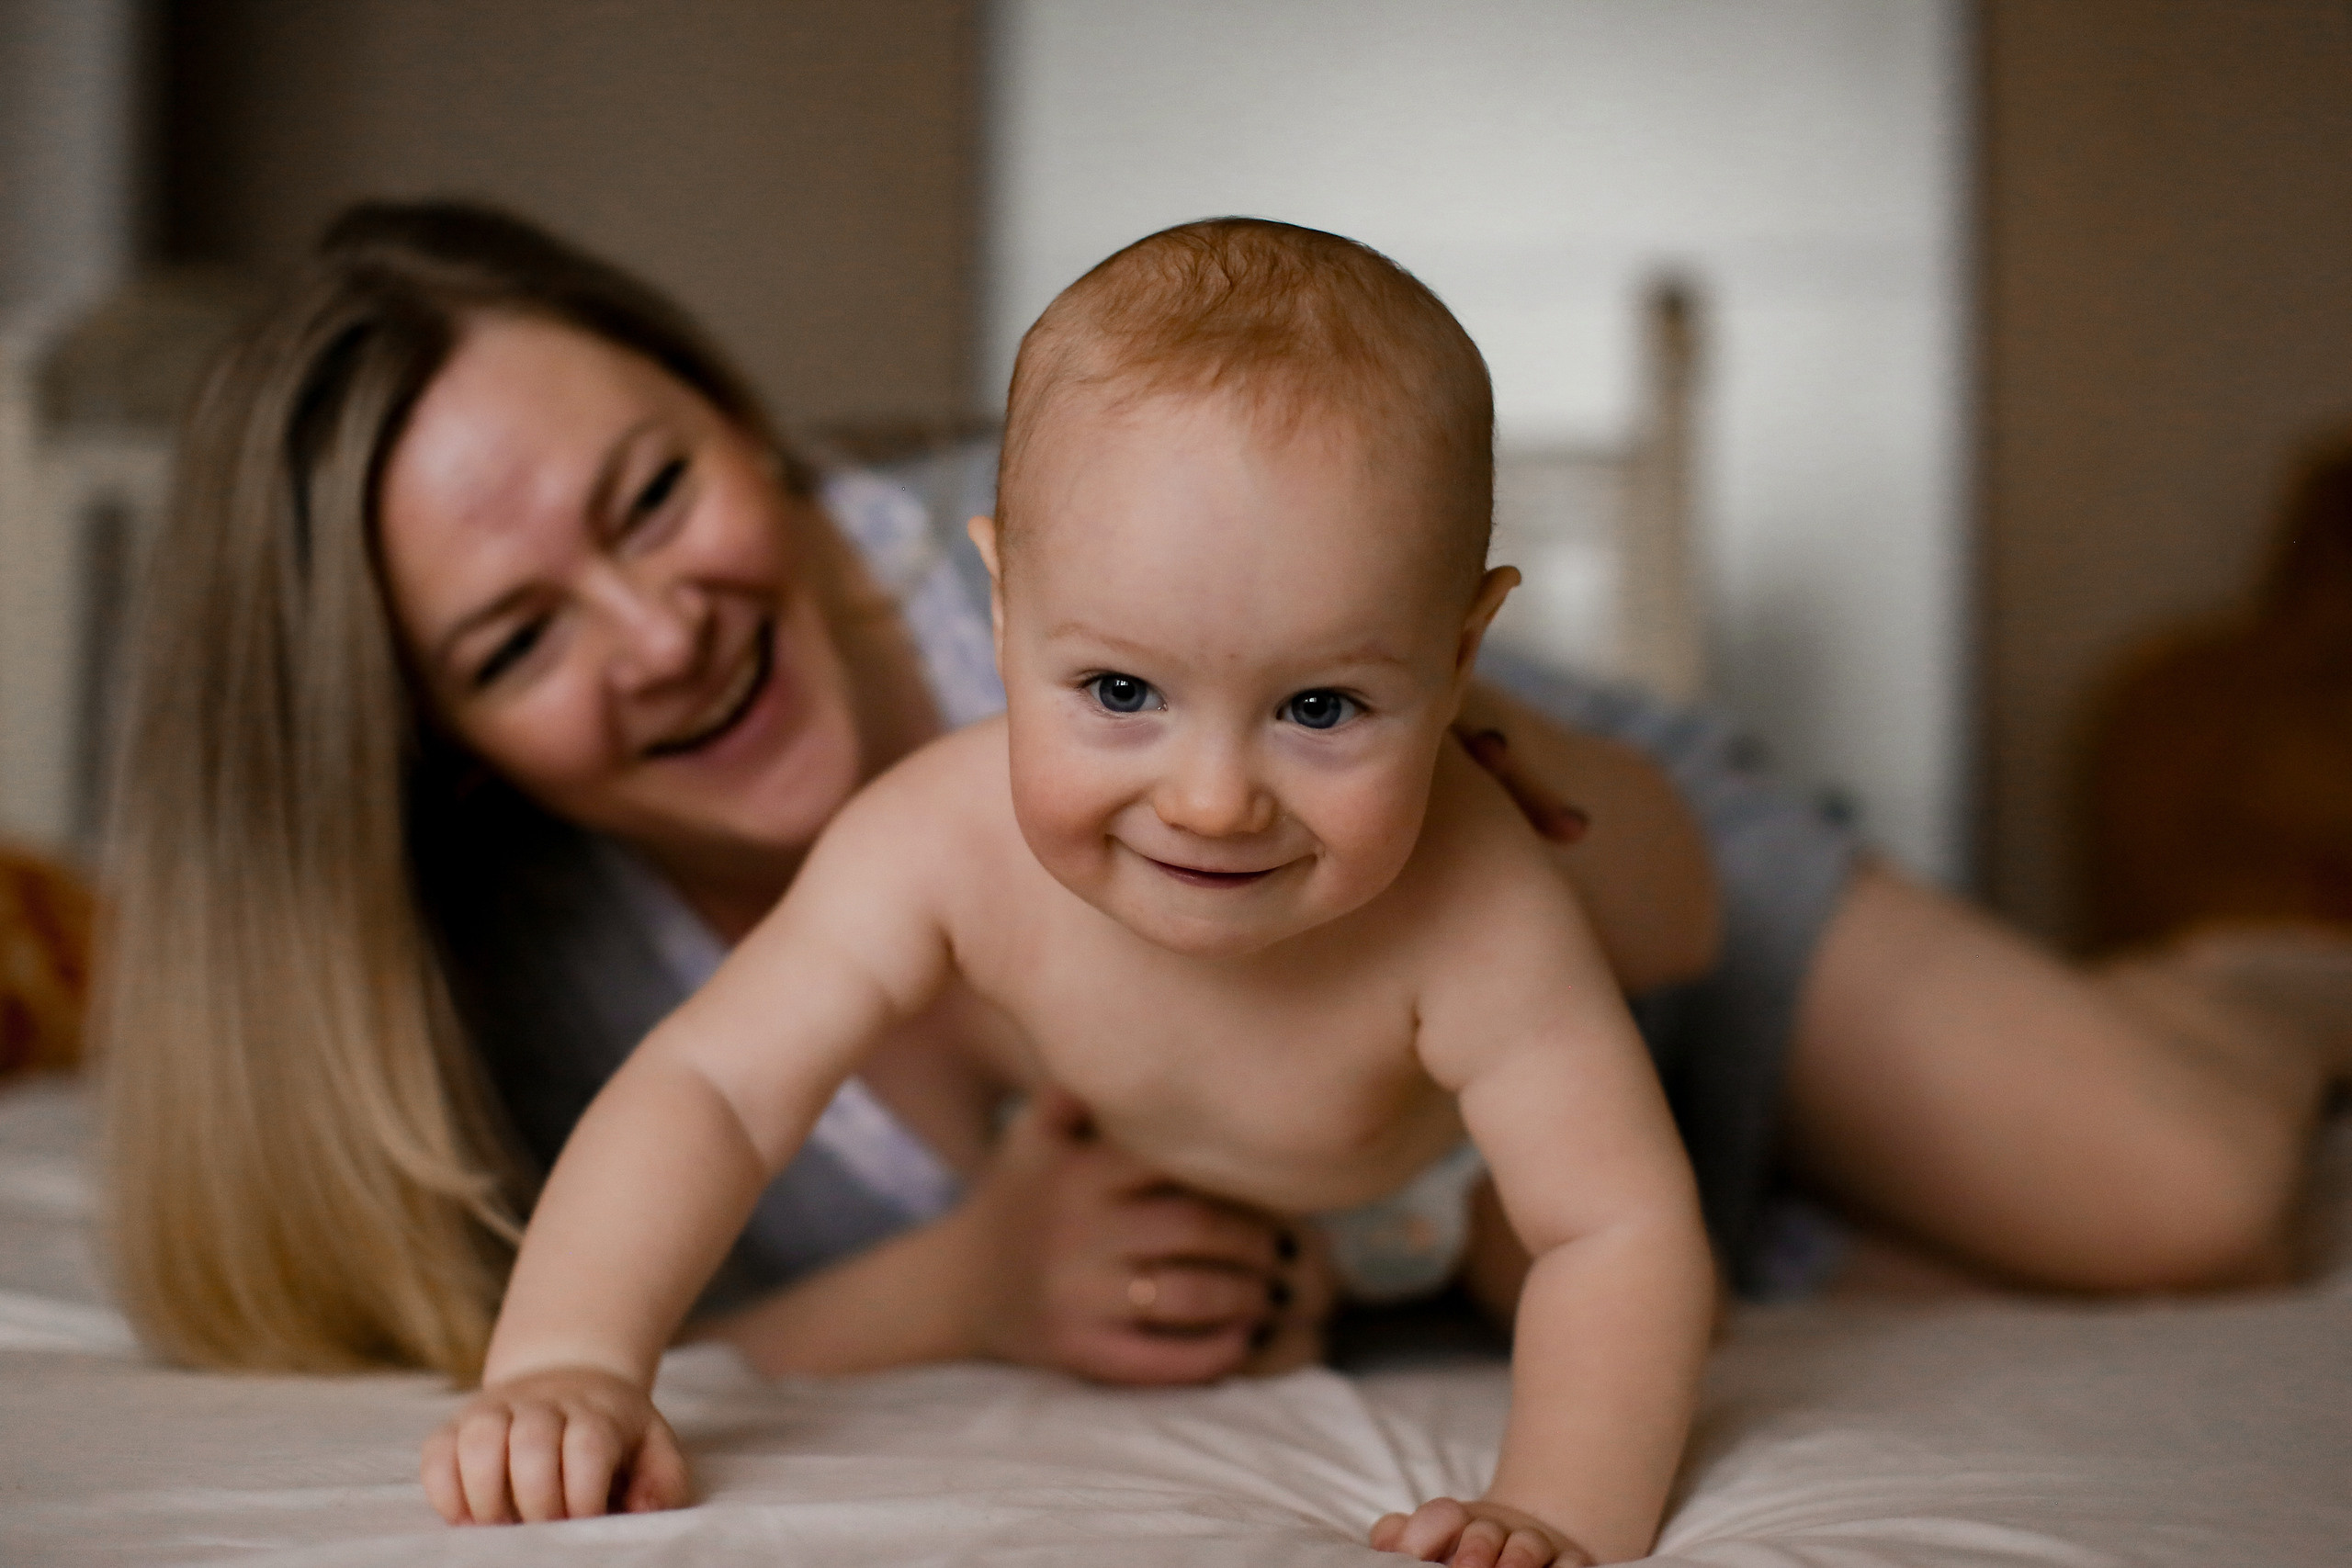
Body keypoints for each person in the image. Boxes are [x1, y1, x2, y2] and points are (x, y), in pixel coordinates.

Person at [98, 200, 2344, 1408]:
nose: (659, 624)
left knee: (2183, 1202)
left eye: (653, 487)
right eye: (513, 639)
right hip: (1417, 1219)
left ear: (734, 411)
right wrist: (954, 1286)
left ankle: (2254, 974)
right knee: (1887, 1313)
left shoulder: (1253, 638)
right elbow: (650, 1168)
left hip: (1605, 900)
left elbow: (1639, 912)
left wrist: (1458, 808)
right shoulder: (495, 956)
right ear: (416, 743)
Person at [423, 220, 1714, 1567]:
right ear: (1004, 609)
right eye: (1119, 692)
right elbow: (714, 1088)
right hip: (1181, 1196)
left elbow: (1608, 1224)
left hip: (1441, 1172)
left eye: (1320, 706)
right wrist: (568, 1355)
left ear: (1458, 664)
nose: (1212, 799)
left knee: (1619, 1301)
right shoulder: (936, 838)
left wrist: (1558, 1507)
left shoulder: (1475, 902)